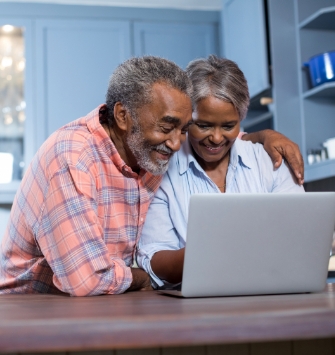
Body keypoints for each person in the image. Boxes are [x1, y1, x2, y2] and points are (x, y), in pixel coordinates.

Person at [0, 56, 303, 296]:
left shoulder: (146, 155)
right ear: (122, 116)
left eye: (183, 129)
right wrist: (142, 277)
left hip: (90, 305)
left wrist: (263, 135)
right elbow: (88, 279)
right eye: (167, 127)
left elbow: (221, 138)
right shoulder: (73, 157)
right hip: (30, 308)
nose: (176, 143)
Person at [136, 55, 305, 290]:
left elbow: (303, 239)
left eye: (228, 126)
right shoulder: (161, 171)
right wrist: (209, 253)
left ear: (241, 120)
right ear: (186, 118)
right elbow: (153, 257)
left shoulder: (271, 162)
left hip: (272, 293)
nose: (216, 138)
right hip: (193, 305)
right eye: (203, 125)